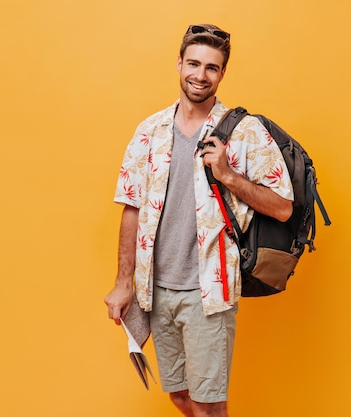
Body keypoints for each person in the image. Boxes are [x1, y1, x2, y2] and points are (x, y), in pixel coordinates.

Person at [104, 24, 294, 417]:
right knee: (180, 396)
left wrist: (227, 174)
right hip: (155, 290)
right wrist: (124, 284)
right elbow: (132, 208)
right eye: (193, 63)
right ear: (179, 64)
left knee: (209, 407)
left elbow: (282, 208)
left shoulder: (244, 134)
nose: (200, 75)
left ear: (222, 73)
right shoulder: (150, 131)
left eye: (211, 67)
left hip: (208, 291)